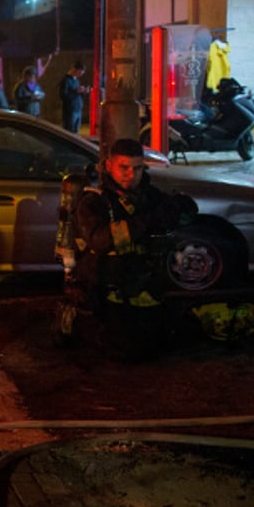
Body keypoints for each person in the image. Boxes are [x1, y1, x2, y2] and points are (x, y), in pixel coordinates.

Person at [73, 138, 198, 360]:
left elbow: (178, 221)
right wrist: (148, 221)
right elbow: (99, 240)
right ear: (109, 166)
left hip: (144, 281)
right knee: (125, 350)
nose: (131, 175)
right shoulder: (94, 201)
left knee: (164, 340)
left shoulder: (149, 196)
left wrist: (183, 209)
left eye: (138, 168)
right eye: (124, 168)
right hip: (107, 284)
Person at [58, 61, 88, 133]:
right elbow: (63, 96)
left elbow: (77, 93)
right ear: (75, 69)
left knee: (76, 133)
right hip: (70, 112)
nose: (80, 75)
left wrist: (83, 91)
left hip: (78, 110)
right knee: (69, 132)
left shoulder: (76, 80)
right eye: (80, 73)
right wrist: (76, 92)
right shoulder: (65, 80)